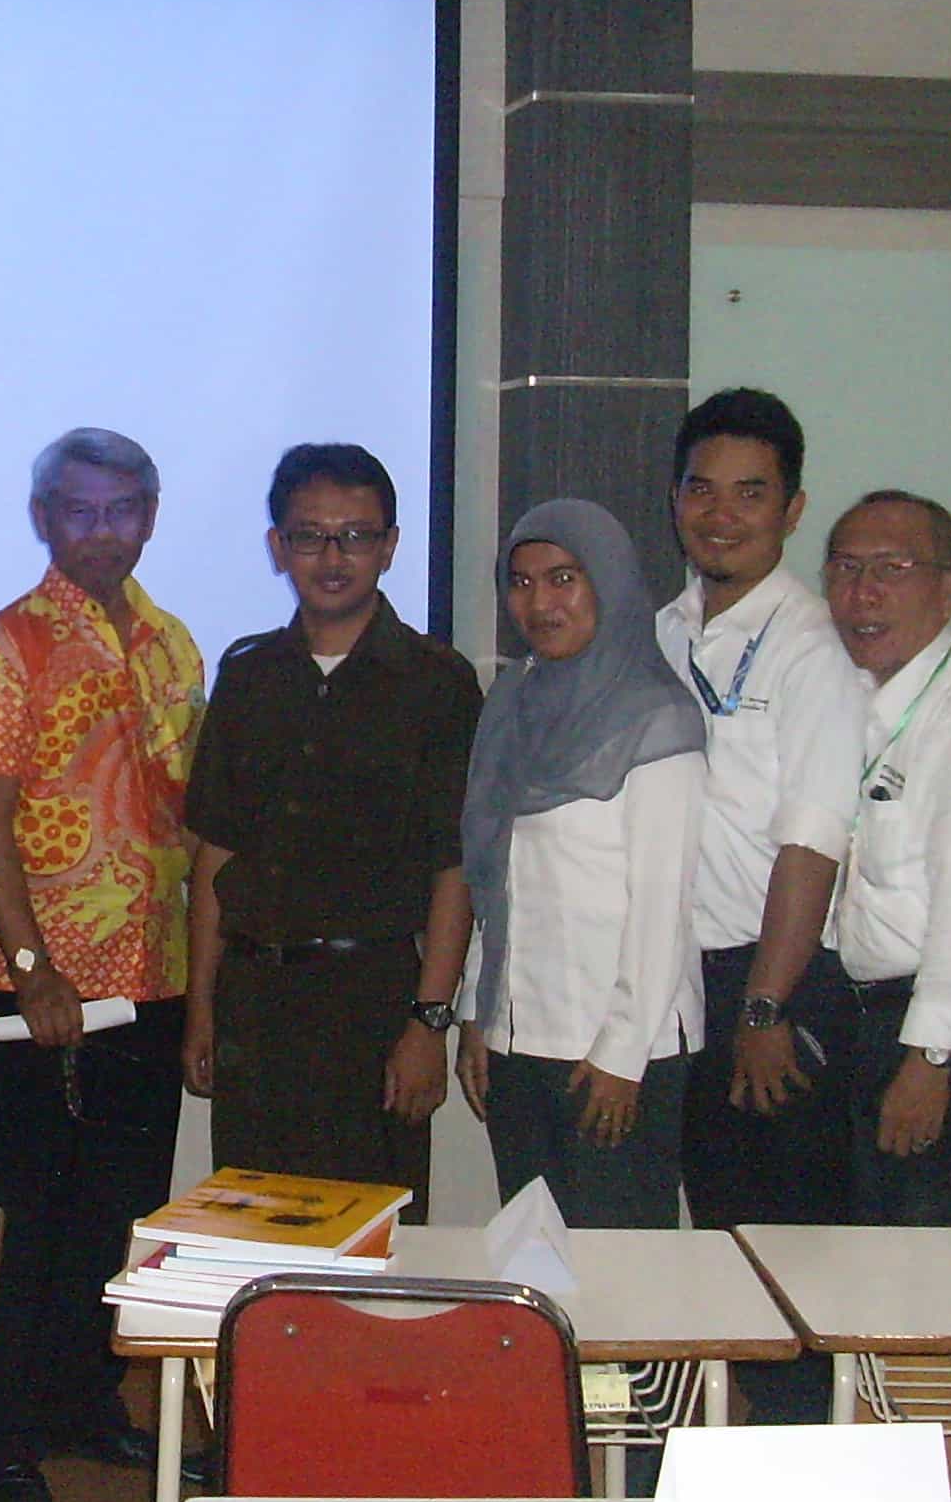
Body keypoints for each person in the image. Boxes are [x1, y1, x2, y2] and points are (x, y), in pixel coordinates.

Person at [0, 428, 206, 1502]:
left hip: (152, 974)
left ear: (150, 514)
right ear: (43, 517)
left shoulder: (174, 644)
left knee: (119, 1210)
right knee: (26, 1216)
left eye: (121, 510)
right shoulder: (4, 647)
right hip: (39, 988)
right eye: (79, 510)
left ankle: (85, 1403)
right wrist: (30, 967)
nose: (102, 531)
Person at [182, 443, 478, 1213]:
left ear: (391, 545)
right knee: (254, 1241)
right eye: (311, 536)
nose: (333, 557)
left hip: (373, 1008)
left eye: (356, 536)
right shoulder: (248, 676)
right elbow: (217, 852)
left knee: (372, 1244)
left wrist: (429, 1023)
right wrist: (202, 1007)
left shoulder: (437, 682)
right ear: (278, 546)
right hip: (255, 1007)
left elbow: (454, 868)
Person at [454, 499, 702, 1224]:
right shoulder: (511, 702)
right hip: (518, 1040)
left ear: (609, 581)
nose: (540, 604)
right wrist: (478, 1013)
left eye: (564, 578)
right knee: (534, 1257)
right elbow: (495, 878)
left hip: (618, 1052)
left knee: (619, 1268)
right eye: (521, 582)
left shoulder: (657, 719)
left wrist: (623, 1056)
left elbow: (662, 909)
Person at [656, 390, 868, 1235]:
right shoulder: (663, 633)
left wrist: (765, 1005)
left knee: (782, 1241)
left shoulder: (814, 648)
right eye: (701, 489)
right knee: (715, 1229)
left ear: (793, 509)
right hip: (681, 976)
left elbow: (813, 843)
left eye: (750, 493)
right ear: (675, 498)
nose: (721, 515)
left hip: (773, 980)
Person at [821, 492, 951, 1226]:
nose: (863, 593)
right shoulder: (861, 697)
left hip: (948, 1038)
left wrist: (929, 1060)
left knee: (937, 1262)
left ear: (950, 591)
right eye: (845, 568)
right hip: (872, 1021)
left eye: (892, 568)